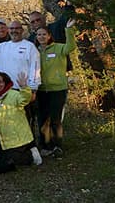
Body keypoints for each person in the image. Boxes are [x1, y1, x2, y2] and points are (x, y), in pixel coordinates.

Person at [35, 19, 76, 157]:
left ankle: (57, 145)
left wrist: (69, 30)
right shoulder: (34, 51)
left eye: (44, 34)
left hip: (58, 89)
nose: (41, 37)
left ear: (49, 35)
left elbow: (71, 47)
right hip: (41, 90)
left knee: (55, 119)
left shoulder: (59, 48)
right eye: (39, 34)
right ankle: (45, 145)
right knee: (42, 119)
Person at [0, 72, 42, 166]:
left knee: (13, 161)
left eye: (1, 82)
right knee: (3, 161)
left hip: (19, 138)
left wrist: (24, 87)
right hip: (5, 139)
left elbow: (25, 99)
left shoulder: (13, 94)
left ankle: (32, 155)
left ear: (6, 83)